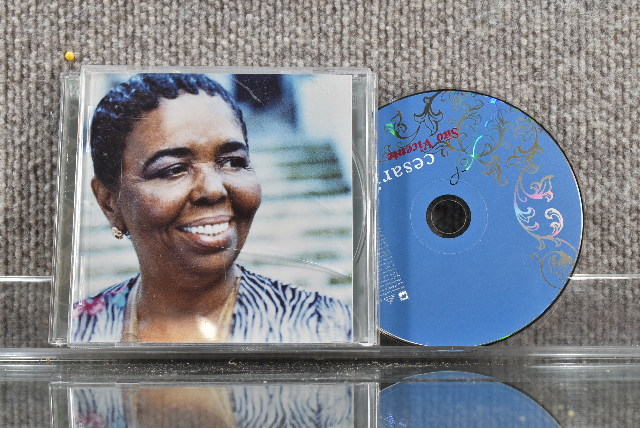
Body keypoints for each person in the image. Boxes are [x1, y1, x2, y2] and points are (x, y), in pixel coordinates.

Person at [72, 73, 352, 343]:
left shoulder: (327, 327)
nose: (214, 189)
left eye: (233, 162)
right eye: (173, 169)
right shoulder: (76, 332)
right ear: (109, 202)